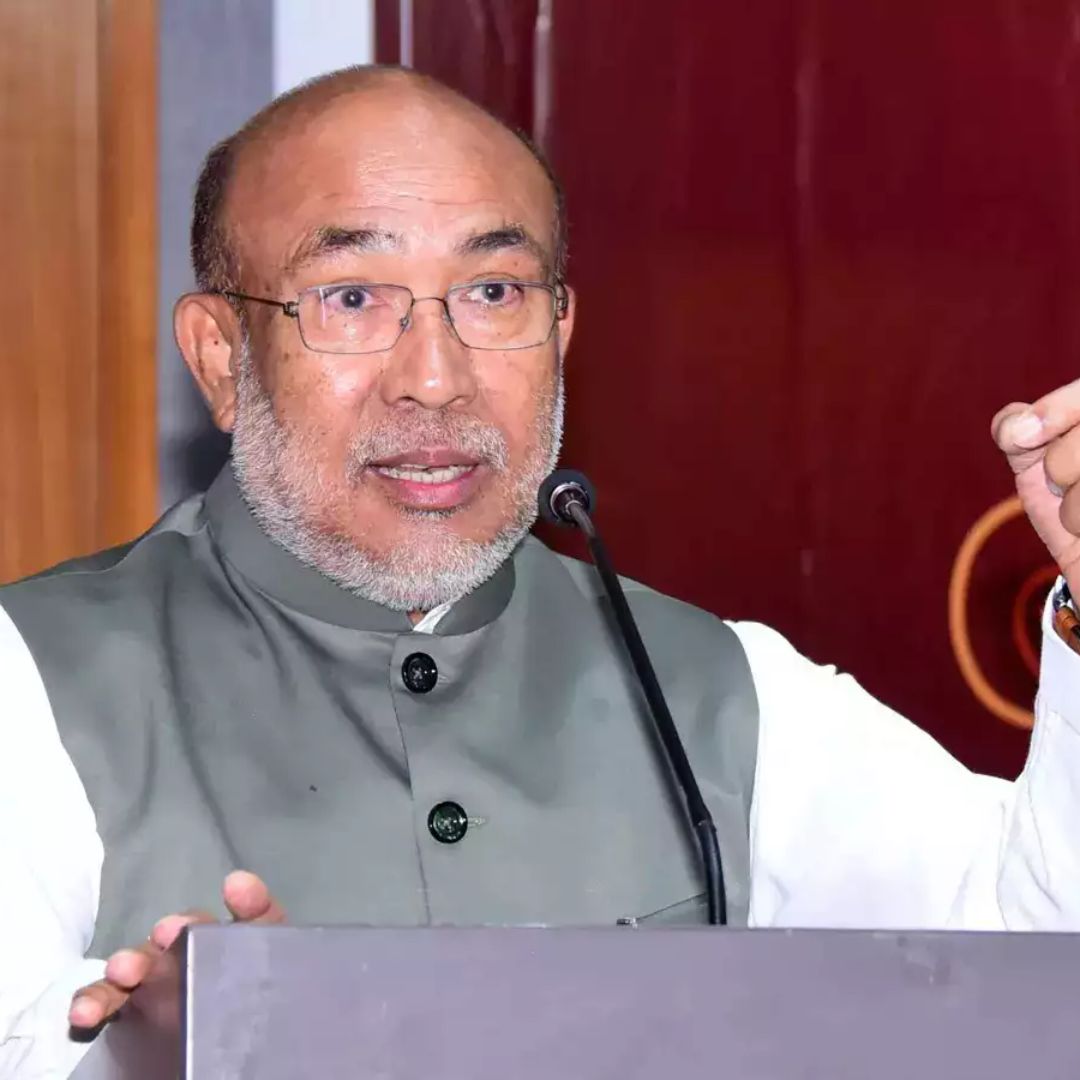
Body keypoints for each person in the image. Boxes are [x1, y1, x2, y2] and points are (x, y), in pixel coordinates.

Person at [3, 64, 1080, 1077]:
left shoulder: (716, 690)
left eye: (493, 291)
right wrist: (171, 1053)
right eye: (351, 298)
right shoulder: (33, 685)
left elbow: (1024, 962)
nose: (435, 379)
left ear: (559, 333)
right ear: (222, 358)